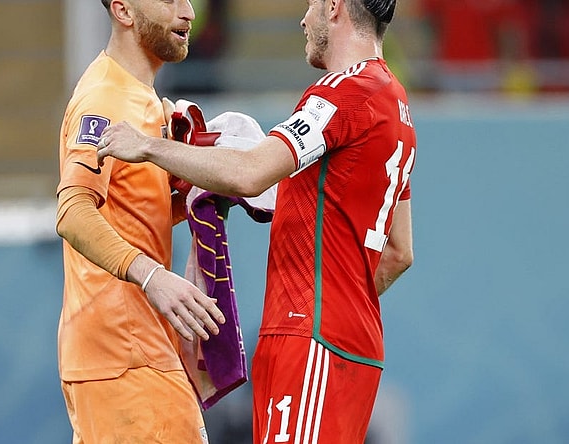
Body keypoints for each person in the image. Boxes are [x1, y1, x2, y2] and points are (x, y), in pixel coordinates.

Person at [97, 0, 416, 442]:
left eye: (311, 5)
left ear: (335, 8)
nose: (304, 19)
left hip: (308, 338)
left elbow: (250, 173)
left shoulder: (342, 92)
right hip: (353, 345)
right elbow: (399, 253)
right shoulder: (396, 104)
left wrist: (149, 147)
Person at [54, 1, 225, 443]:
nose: (188, 11)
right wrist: (153, 277)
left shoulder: (138, 95)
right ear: (124, 11)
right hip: (124, 351)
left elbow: (129, 210)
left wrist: (197, 192)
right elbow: (73, 210)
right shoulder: (106, 97)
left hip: (127, 351)